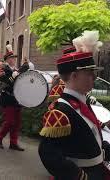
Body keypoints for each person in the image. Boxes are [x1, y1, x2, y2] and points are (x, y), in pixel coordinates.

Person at [38, 31, 110, 180]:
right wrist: (79, 176)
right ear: (74, 76)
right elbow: (48, 153)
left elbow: (88, 138)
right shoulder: (60, 111)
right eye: (89, 73)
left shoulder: (82, 103)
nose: (94, 77)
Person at [0, 44, 26, 151]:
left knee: (17, 122)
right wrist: (13, 76)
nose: (13, 59)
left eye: (14, 58)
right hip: (7, 98)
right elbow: (1, 82)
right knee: (9, 121)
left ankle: (13, 142)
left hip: (17, 98)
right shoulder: (3, 69)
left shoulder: (16, 69)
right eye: (11, 58)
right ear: (7, 60)